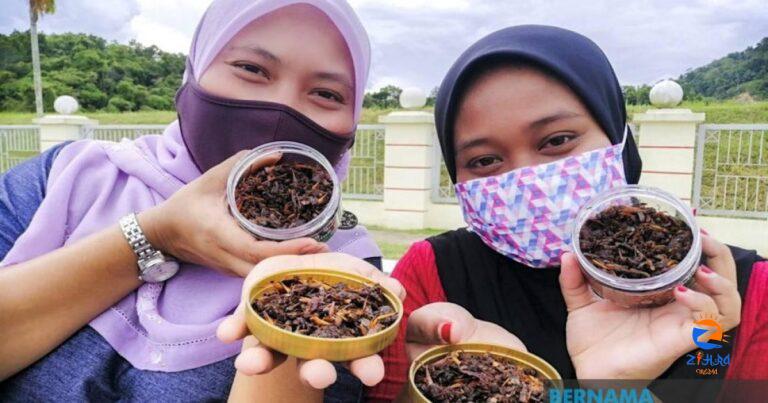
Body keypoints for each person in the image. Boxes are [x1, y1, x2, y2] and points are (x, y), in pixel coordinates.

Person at [221, 25, 767, 402]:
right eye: (483, 160)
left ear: (619, 140)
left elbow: (711, 373)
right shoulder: (431, 278)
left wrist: (628, 383)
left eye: (556, 140)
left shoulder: (741, 290)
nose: (524, 180)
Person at [0, 1, 382, 401]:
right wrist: (157, 235)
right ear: (194, 71)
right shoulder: (64, 176)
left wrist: (284, 309)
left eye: (326, 93)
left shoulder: (344, 268)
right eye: (252, 69)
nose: (283, 106)